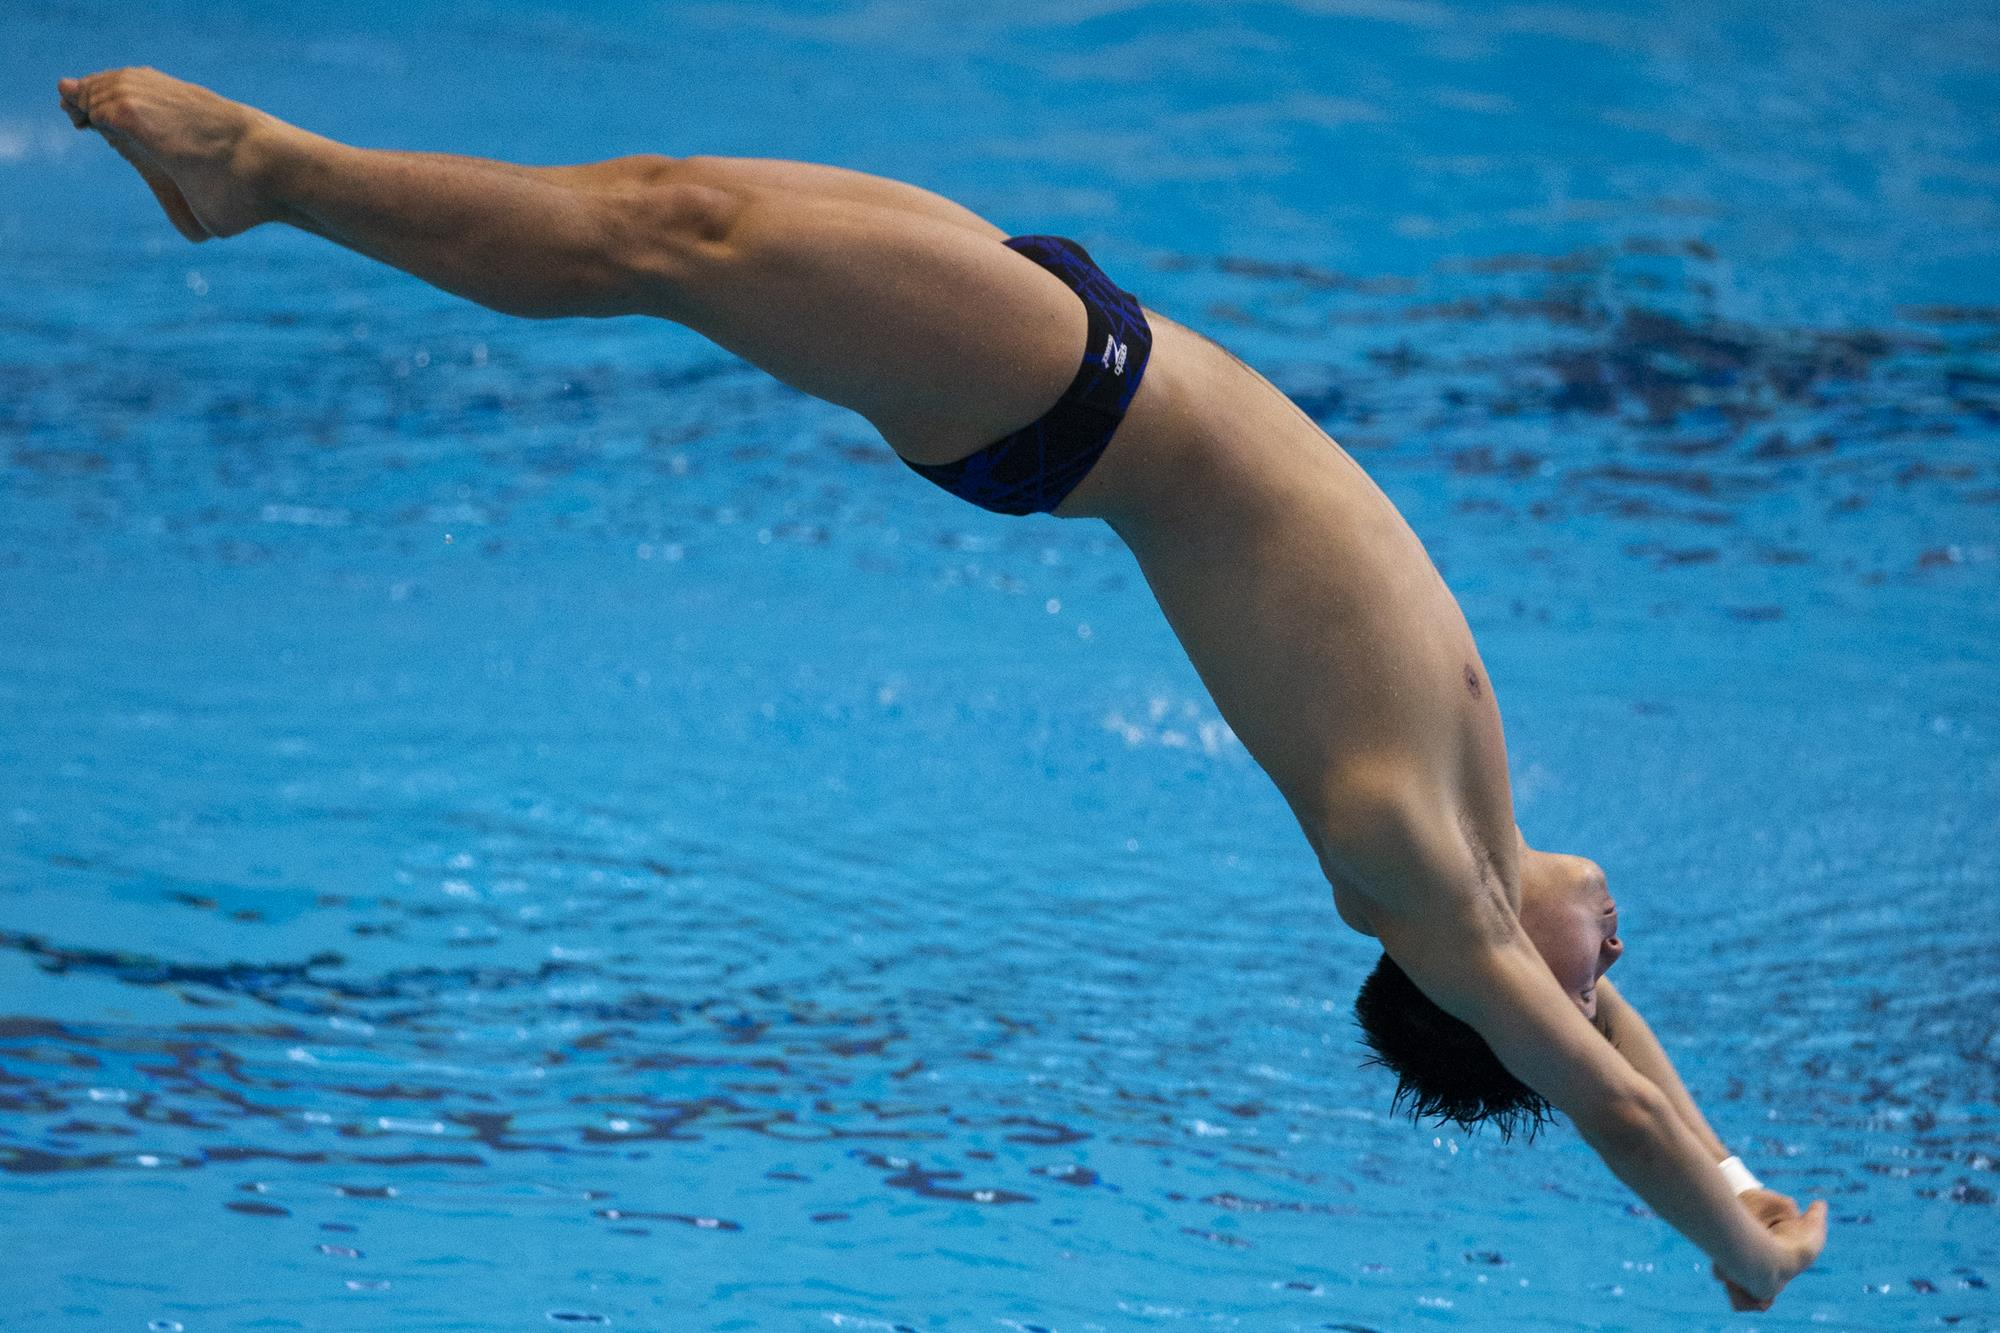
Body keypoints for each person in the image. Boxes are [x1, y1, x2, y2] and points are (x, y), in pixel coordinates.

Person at [57, 65, 1828, 1311]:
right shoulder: (1482, 847)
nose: (1625, 964)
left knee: (662, 242)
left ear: (1504, 988)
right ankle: (269, 175)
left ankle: (264, 173)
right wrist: (1736, 1168)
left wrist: (1724, 1248)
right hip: (1093, 345)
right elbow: (1622, 1067)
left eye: (1600, 986)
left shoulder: (1427, 879)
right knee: (663, 209)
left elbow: (1596, 1088)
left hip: (1070, 403)